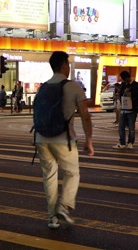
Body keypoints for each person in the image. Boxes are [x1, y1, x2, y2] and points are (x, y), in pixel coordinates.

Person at [35, 51, 94, 229]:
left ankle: (52, 217)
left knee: (49, 176)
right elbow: (85, 116)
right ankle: (63, 206)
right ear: (63, 66)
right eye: (67, 64)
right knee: (72, 173)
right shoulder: (72, 86)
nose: (68, 67)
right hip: (63, 139)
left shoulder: (43, 87)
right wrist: (89, 140)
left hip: (41, 137)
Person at [113, 71, 138, 149]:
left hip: (132, 109)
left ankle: (130, 142)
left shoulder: (136, 85)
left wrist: (132, 93)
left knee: (131, 127)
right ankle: (122, 142)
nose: (125, 81)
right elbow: (120, 94)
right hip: (123, 109)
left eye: (125, 79)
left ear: (128, 77)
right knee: (121, 127)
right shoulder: (124, 85)